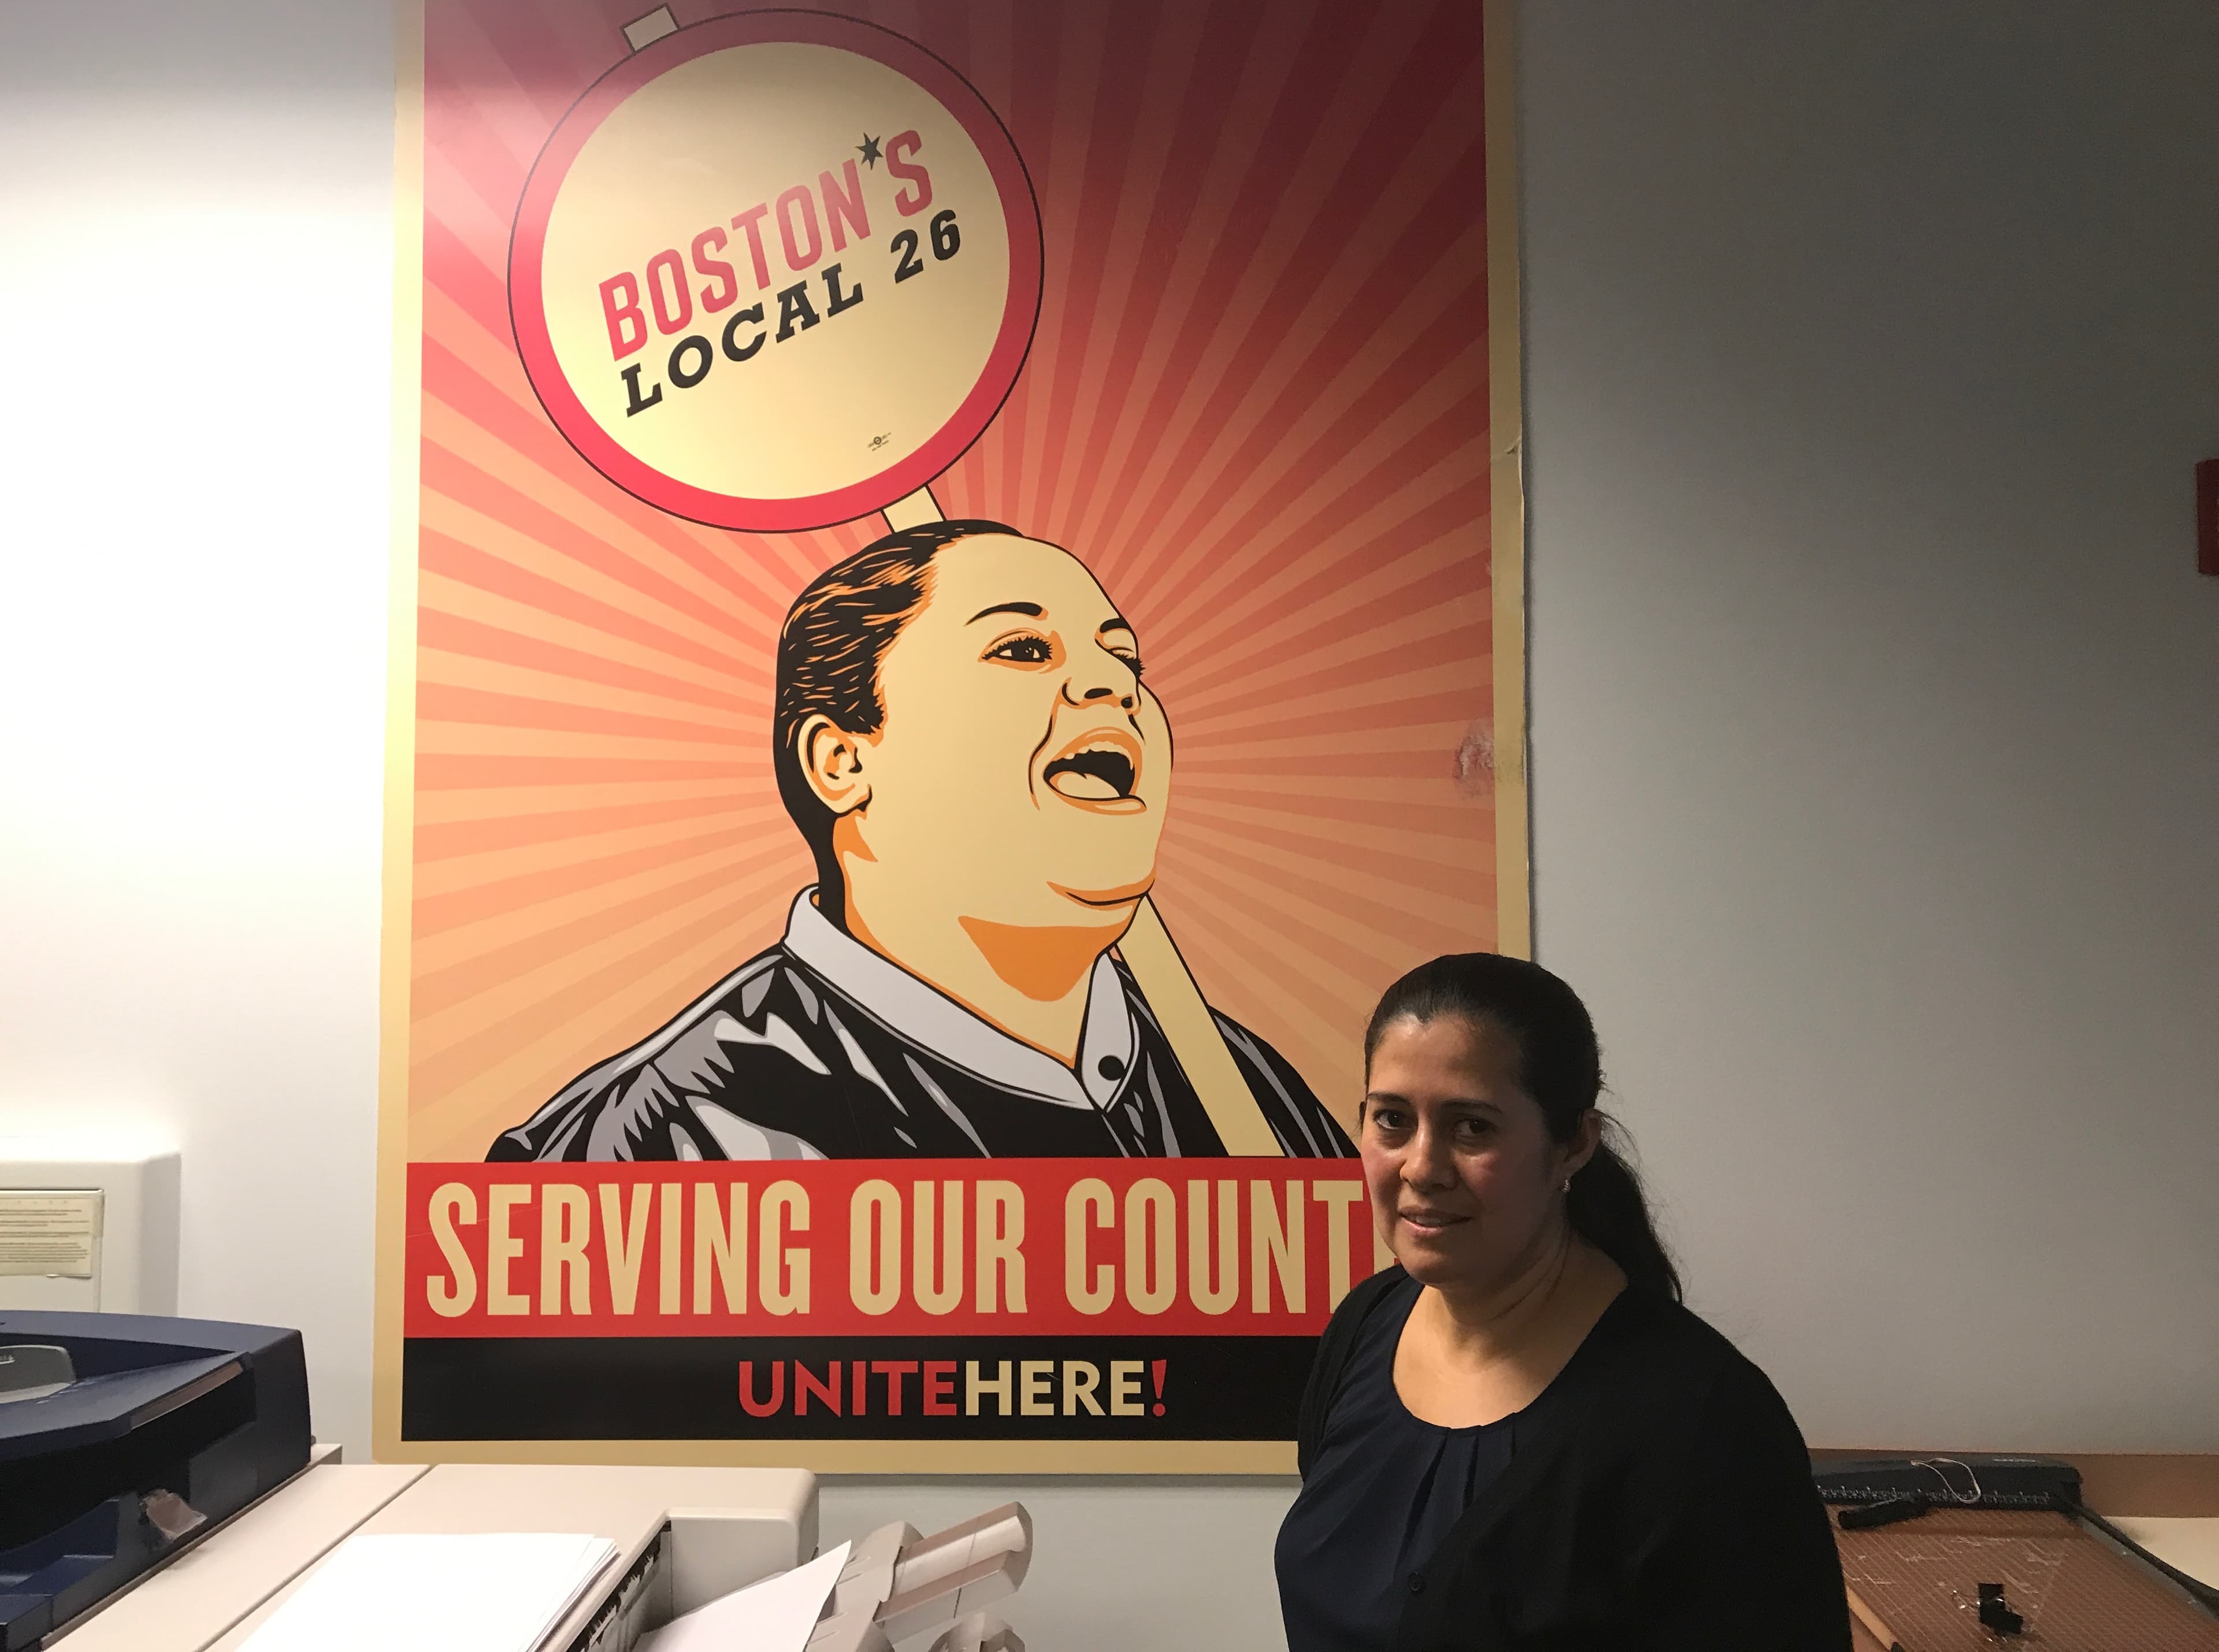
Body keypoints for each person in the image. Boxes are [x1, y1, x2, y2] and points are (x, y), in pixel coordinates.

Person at [489, 519, 1351, 1161]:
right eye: (1022, 649)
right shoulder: (652, 1143)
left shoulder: (1251, 1098)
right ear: (840, 760)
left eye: (1126, 660)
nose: (1111, 686)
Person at [1275, 954, 1849, 1650]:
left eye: (1472, 1128)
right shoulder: (1365, 1327)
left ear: (1573, 1144)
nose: (1421, 1167)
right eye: (1392, 1120)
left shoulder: (1704, 1426)